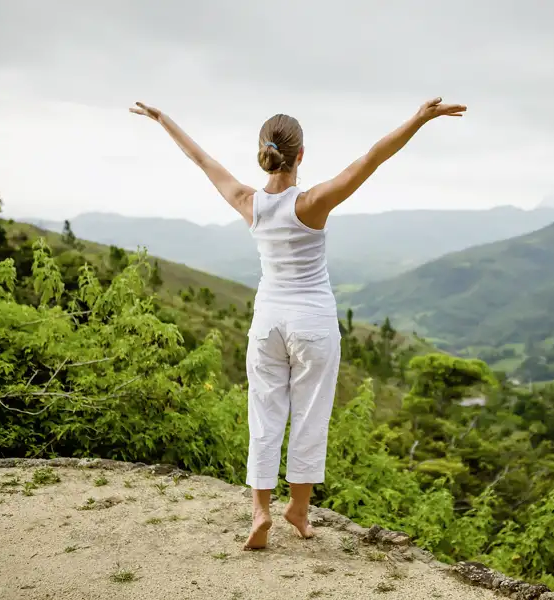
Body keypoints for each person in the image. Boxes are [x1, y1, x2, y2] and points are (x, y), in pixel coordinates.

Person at [129, 97, 467, 550]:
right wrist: (420, 119)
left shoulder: (248, 201)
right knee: (310, 417)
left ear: (264, 153)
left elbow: (201, 159)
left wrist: (164, 119)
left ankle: (259, 511)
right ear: (300, 155)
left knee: (264, 417)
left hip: (267, 322)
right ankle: (299, 509)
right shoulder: (312, 203)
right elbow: (373, 157)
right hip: (313, 323)